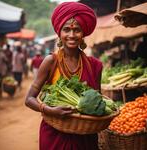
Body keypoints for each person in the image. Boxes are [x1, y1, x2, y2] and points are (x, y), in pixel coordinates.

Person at [25, 2, 103, 150]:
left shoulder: (95, 65)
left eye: (77, 30)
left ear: (83, 34)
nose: (72, 35)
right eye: (66, 29)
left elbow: (98, 100)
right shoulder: (51, 61)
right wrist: (49, 110)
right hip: (54, 136)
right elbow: (29, 99)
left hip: (85, 138)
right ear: (59, 33)